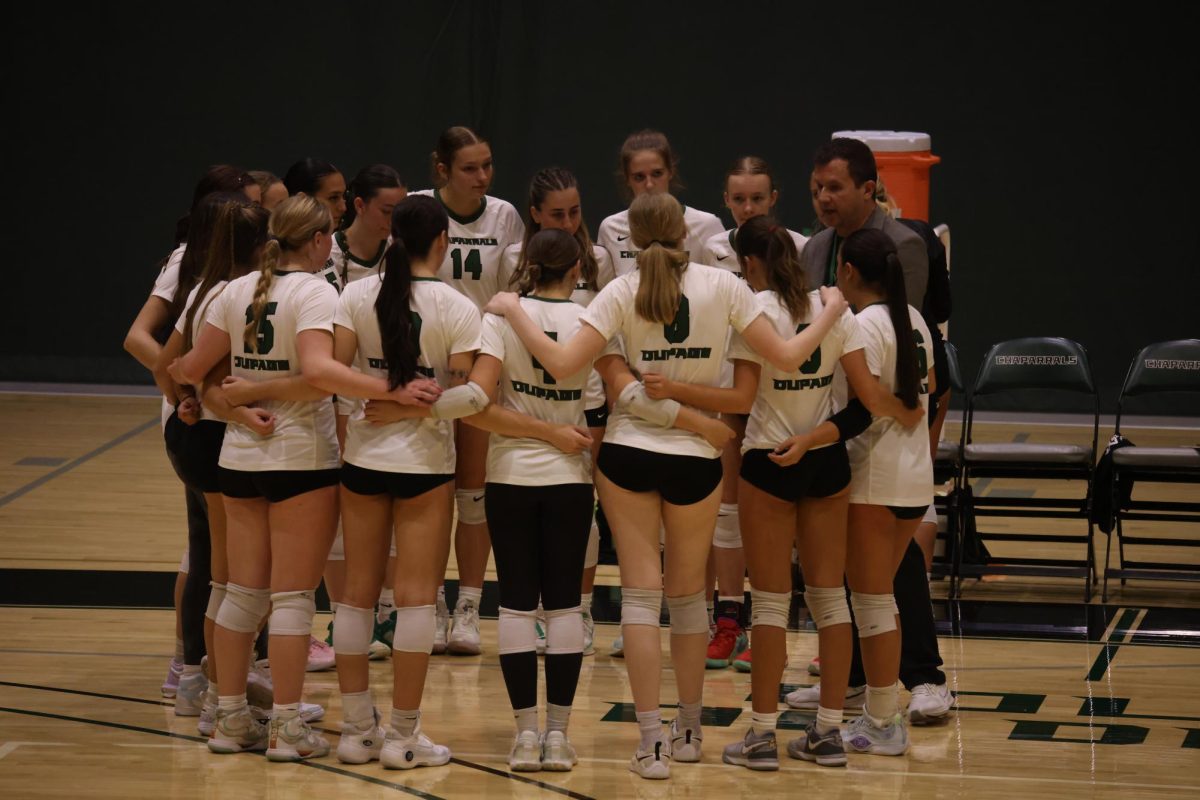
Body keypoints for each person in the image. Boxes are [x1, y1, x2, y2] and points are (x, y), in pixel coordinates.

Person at [484, 192, 849, 780]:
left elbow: (559, 364)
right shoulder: (723, 285)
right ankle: (690, 730)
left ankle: (649, 742)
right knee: (687, 602)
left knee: (638, 599)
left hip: (628, 452)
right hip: (694, 460)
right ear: (686, 229)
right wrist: (832, 310)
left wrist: (511, 308)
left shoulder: (620, 290)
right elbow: (783, 354)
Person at [682, 217, 918, 770]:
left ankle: (762, 736)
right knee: (830, 601)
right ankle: (829, 733)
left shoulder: (751, 314)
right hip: (827, 459)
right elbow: (864, 401)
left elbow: (739, 404)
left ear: (749, 264)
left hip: (770, 460)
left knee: (767, 604)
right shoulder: (834, 309)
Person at [171, 194, 343, 761]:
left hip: (241, 460)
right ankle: (288, 730)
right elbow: (319, 380)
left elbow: (186, 372)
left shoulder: (233, 289)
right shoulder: (317, 292)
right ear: (317, 240)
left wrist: (237, 406)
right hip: (301, 458)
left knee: (240, 592)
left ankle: (228, 720)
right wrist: (257, 396)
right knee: (293, 598)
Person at [123, 165, 255, 702]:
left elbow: (170, 365)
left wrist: (187, 394)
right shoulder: (217, 285)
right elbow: (153, 351)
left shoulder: (206, 285)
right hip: (209, 432)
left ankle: (205, 675)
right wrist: (194, 396)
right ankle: (210, 684)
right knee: (226, 565)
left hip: (194, 428)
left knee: (209, 555)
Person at [813, 227, 935, 758]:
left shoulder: (863, 323)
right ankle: (879, 712)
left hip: (874, 480)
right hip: (913, 477)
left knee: (872, 602)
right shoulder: (917, 320)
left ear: (848, 272)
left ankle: (883, 720)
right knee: (880, 597)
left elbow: (865, 401)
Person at [696, 156, 810, 672]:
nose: (747, 207)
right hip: (729, 390)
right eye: (738, 199)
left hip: (783, 400)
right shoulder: (709, 250)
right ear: (726, 200)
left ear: (774, 199)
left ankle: (773, 626)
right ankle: (727, 620)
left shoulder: (800, 249)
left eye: (757, 199)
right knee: (726, 512)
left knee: (780, 523)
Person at [414, 126, 525, 655]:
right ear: (441, 170)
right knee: (432, 494)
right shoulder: (416, 208)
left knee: (473, 495)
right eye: (469, 168)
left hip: (481, 363)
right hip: (425, 363)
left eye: (487, 165)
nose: (482, 177)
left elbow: (510, 292)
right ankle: (433, 601)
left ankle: (468, 606)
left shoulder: (504, 215)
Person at [499, 167, 612, 656]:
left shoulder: (600, 259)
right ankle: (545, 616)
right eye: (557, 214)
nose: (568, 223)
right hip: (530, 398)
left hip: (587, 394)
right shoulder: (511, 258)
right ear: (535, 215)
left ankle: (578, 610)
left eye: (575, 212)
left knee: (584, 512)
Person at [800, 138, 927, 309]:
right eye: (819, 187)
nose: (822, 198)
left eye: (834, 187)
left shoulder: (903, 245)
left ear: (867, 190)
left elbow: (902, 327)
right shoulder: (814, 247)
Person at [596, 129, 724, 282]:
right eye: (639, 177)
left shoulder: (707, 225)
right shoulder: (610, 228)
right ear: (627, 179)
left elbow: (722, 288)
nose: (649, 185)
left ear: (671, 171)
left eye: (657, 174)